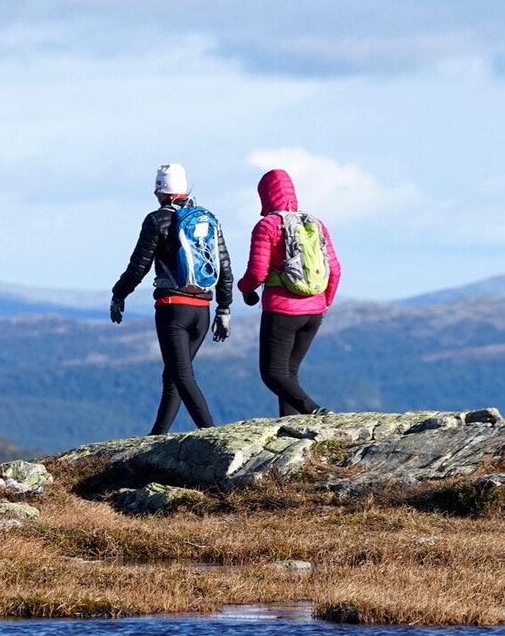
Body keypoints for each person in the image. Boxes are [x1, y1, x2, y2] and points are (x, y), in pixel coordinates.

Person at [110, 163, 234, 435]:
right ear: (185, 188)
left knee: (181, 374)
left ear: (159, 191)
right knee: (174, 373)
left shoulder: (156, 220)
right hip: (203, 310)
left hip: (173, 309)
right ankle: (157, 435)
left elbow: (137, 267)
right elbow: (224, 267)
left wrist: (118, 294)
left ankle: (212, 434)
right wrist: (224, 308)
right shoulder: (207, 220)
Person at [236, 168, 341, 416]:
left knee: (273, 374)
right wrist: (325, 303)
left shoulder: (268, 226)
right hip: (314, 312)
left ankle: (314, 410)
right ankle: (289, 429)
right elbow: (334, 270)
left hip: (282, 311)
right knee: (289, 374)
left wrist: (243, 289)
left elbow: (256, 274)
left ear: (264, 196)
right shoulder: (315, 224)